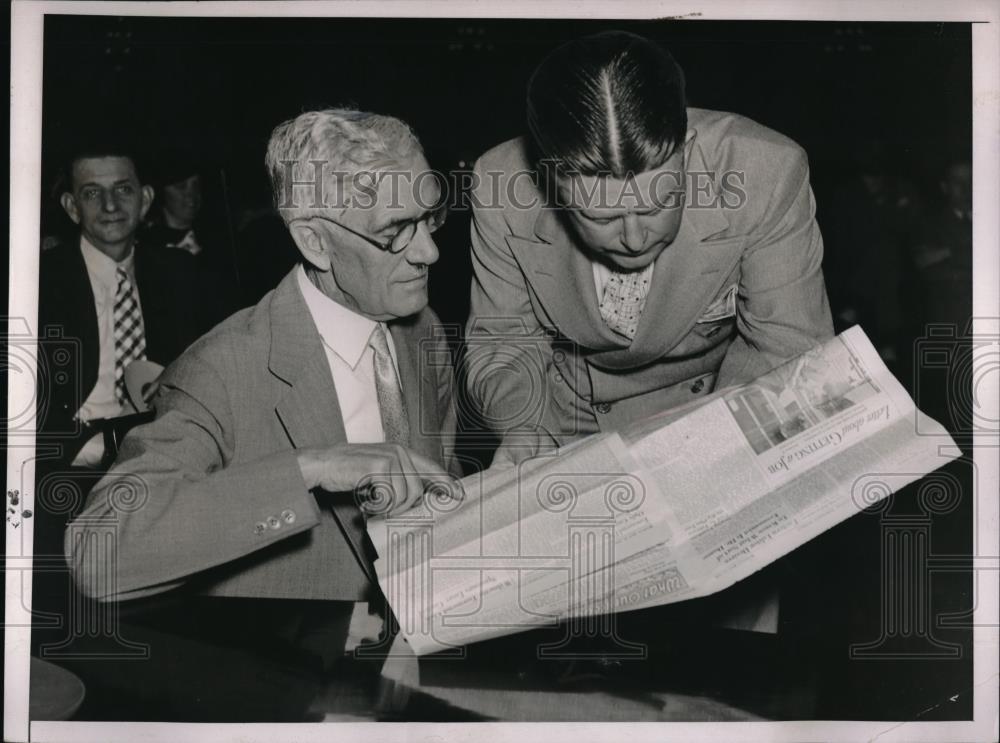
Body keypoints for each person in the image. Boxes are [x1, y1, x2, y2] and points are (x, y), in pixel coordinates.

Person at [64, 109, 462, 679]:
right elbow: (99, 555)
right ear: (314, 241)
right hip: (290, 691)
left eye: (430, 218)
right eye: (396, 231)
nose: (429, 252)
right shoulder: (219, 370)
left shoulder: (421, 329)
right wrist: (311, 466)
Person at [465, 31, 834, 465]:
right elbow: (505, 342)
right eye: (601, 217)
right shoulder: (500, 186)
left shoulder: (764, 171)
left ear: (686, 151)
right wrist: (524, 428)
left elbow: (787, 346)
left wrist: (714, 454)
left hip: (719, 406)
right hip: (569, 421)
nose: (635, 239)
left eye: (660, 202)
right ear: (549, 184)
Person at [39, 142, 207, 471]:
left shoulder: (180, 272)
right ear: (72, 207)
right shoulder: (39, 281)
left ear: (144, 200)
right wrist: (92, 450)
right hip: (74, 459)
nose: (110, 205)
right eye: (91, 194)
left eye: (123, 189)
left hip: (164, 454)